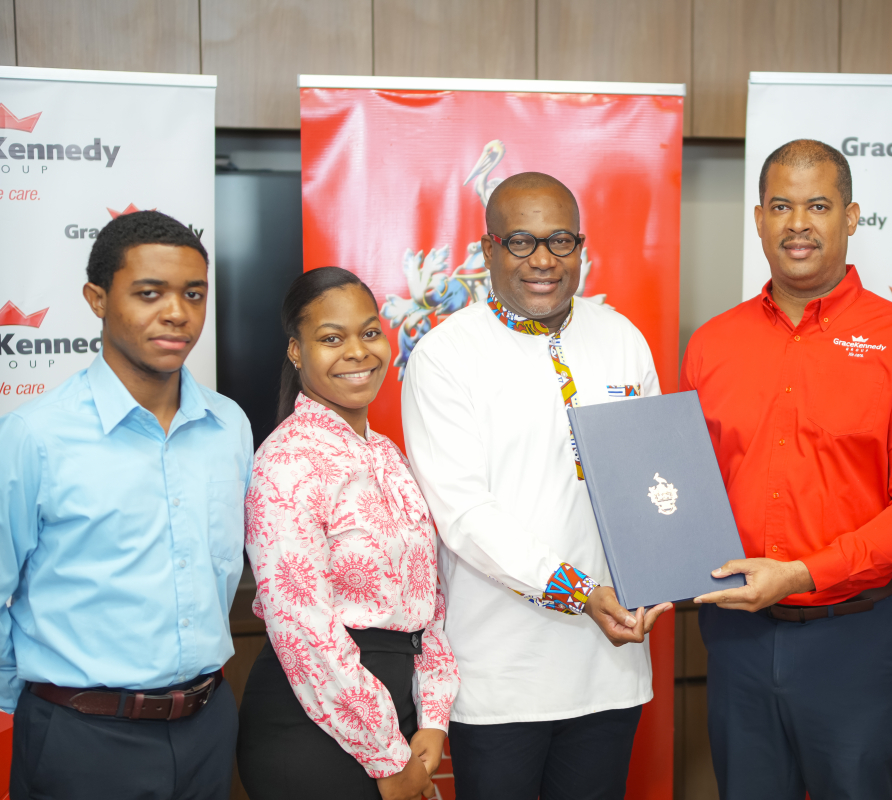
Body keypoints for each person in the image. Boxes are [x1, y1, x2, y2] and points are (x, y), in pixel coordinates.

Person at [681, 139, 892, 798]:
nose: (798, 224)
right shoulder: (712, 344)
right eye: (781, 206)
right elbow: (685, 492)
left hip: (854, 640)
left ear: (851, 217)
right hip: (737, 638)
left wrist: (804, 574)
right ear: (759, 220)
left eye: (818, 205)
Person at [401, 172, 672, 800]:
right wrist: (580, 591)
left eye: (561, 241)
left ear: (581, 247)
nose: (544, 260)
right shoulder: (446, 355)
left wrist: (667, 571)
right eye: (521, 242)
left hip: (610, 667)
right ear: (489, 249)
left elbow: (653, 479)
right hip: (501, 675)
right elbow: (465, 515)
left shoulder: (622, 338)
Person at [0, 211, 252, 799]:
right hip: (81, 736)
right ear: (97, 299)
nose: (177, 312)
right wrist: (43, 702)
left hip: (209, 724)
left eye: (194, 294)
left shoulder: (229, 426)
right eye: (149, 293)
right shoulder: (36, 436)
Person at [236, 267, 458, 800]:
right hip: (311, 728)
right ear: (296, 351)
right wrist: (387, 756)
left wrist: (432, 717)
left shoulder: (389, 455)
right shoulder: (285, 462)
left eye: (369, 332)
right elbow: (304, 632)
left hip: (397, 719)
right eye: (332, 338)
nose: (358, 351)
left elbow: (429, 599)